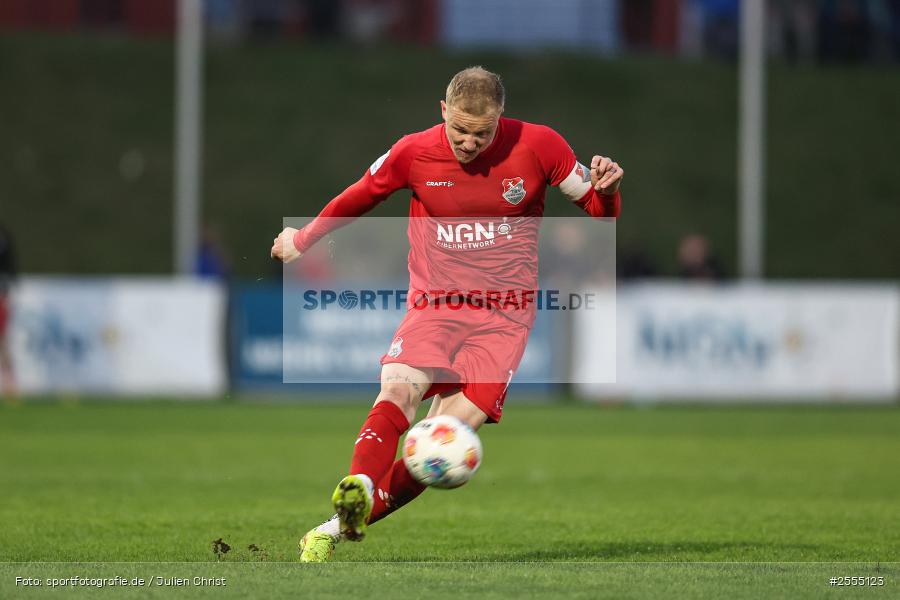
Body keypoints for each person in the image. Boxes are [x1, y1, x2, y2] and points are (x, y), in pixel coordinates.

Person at [270, 67, 623, 562]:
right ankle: (359, 482)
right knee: (397, 389)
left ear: (500, 119)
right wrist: (303, 238)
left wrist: (606, 190)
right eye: (460, 130)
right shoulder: (415, 151)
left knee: (440, 446)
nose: (470, 142)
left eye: (482, 133)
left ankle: (335, 526)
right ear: (443, 111)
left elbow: (600, 214)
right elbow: (360, 195)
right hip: (434, 304)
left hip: (505, 319)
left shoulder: (541, 146)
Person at [0, 223, 17, 397]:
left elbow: (10, 267)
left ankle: (10, 385)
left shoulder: (3, 236)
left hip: (0, 296)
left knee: (3, 340)